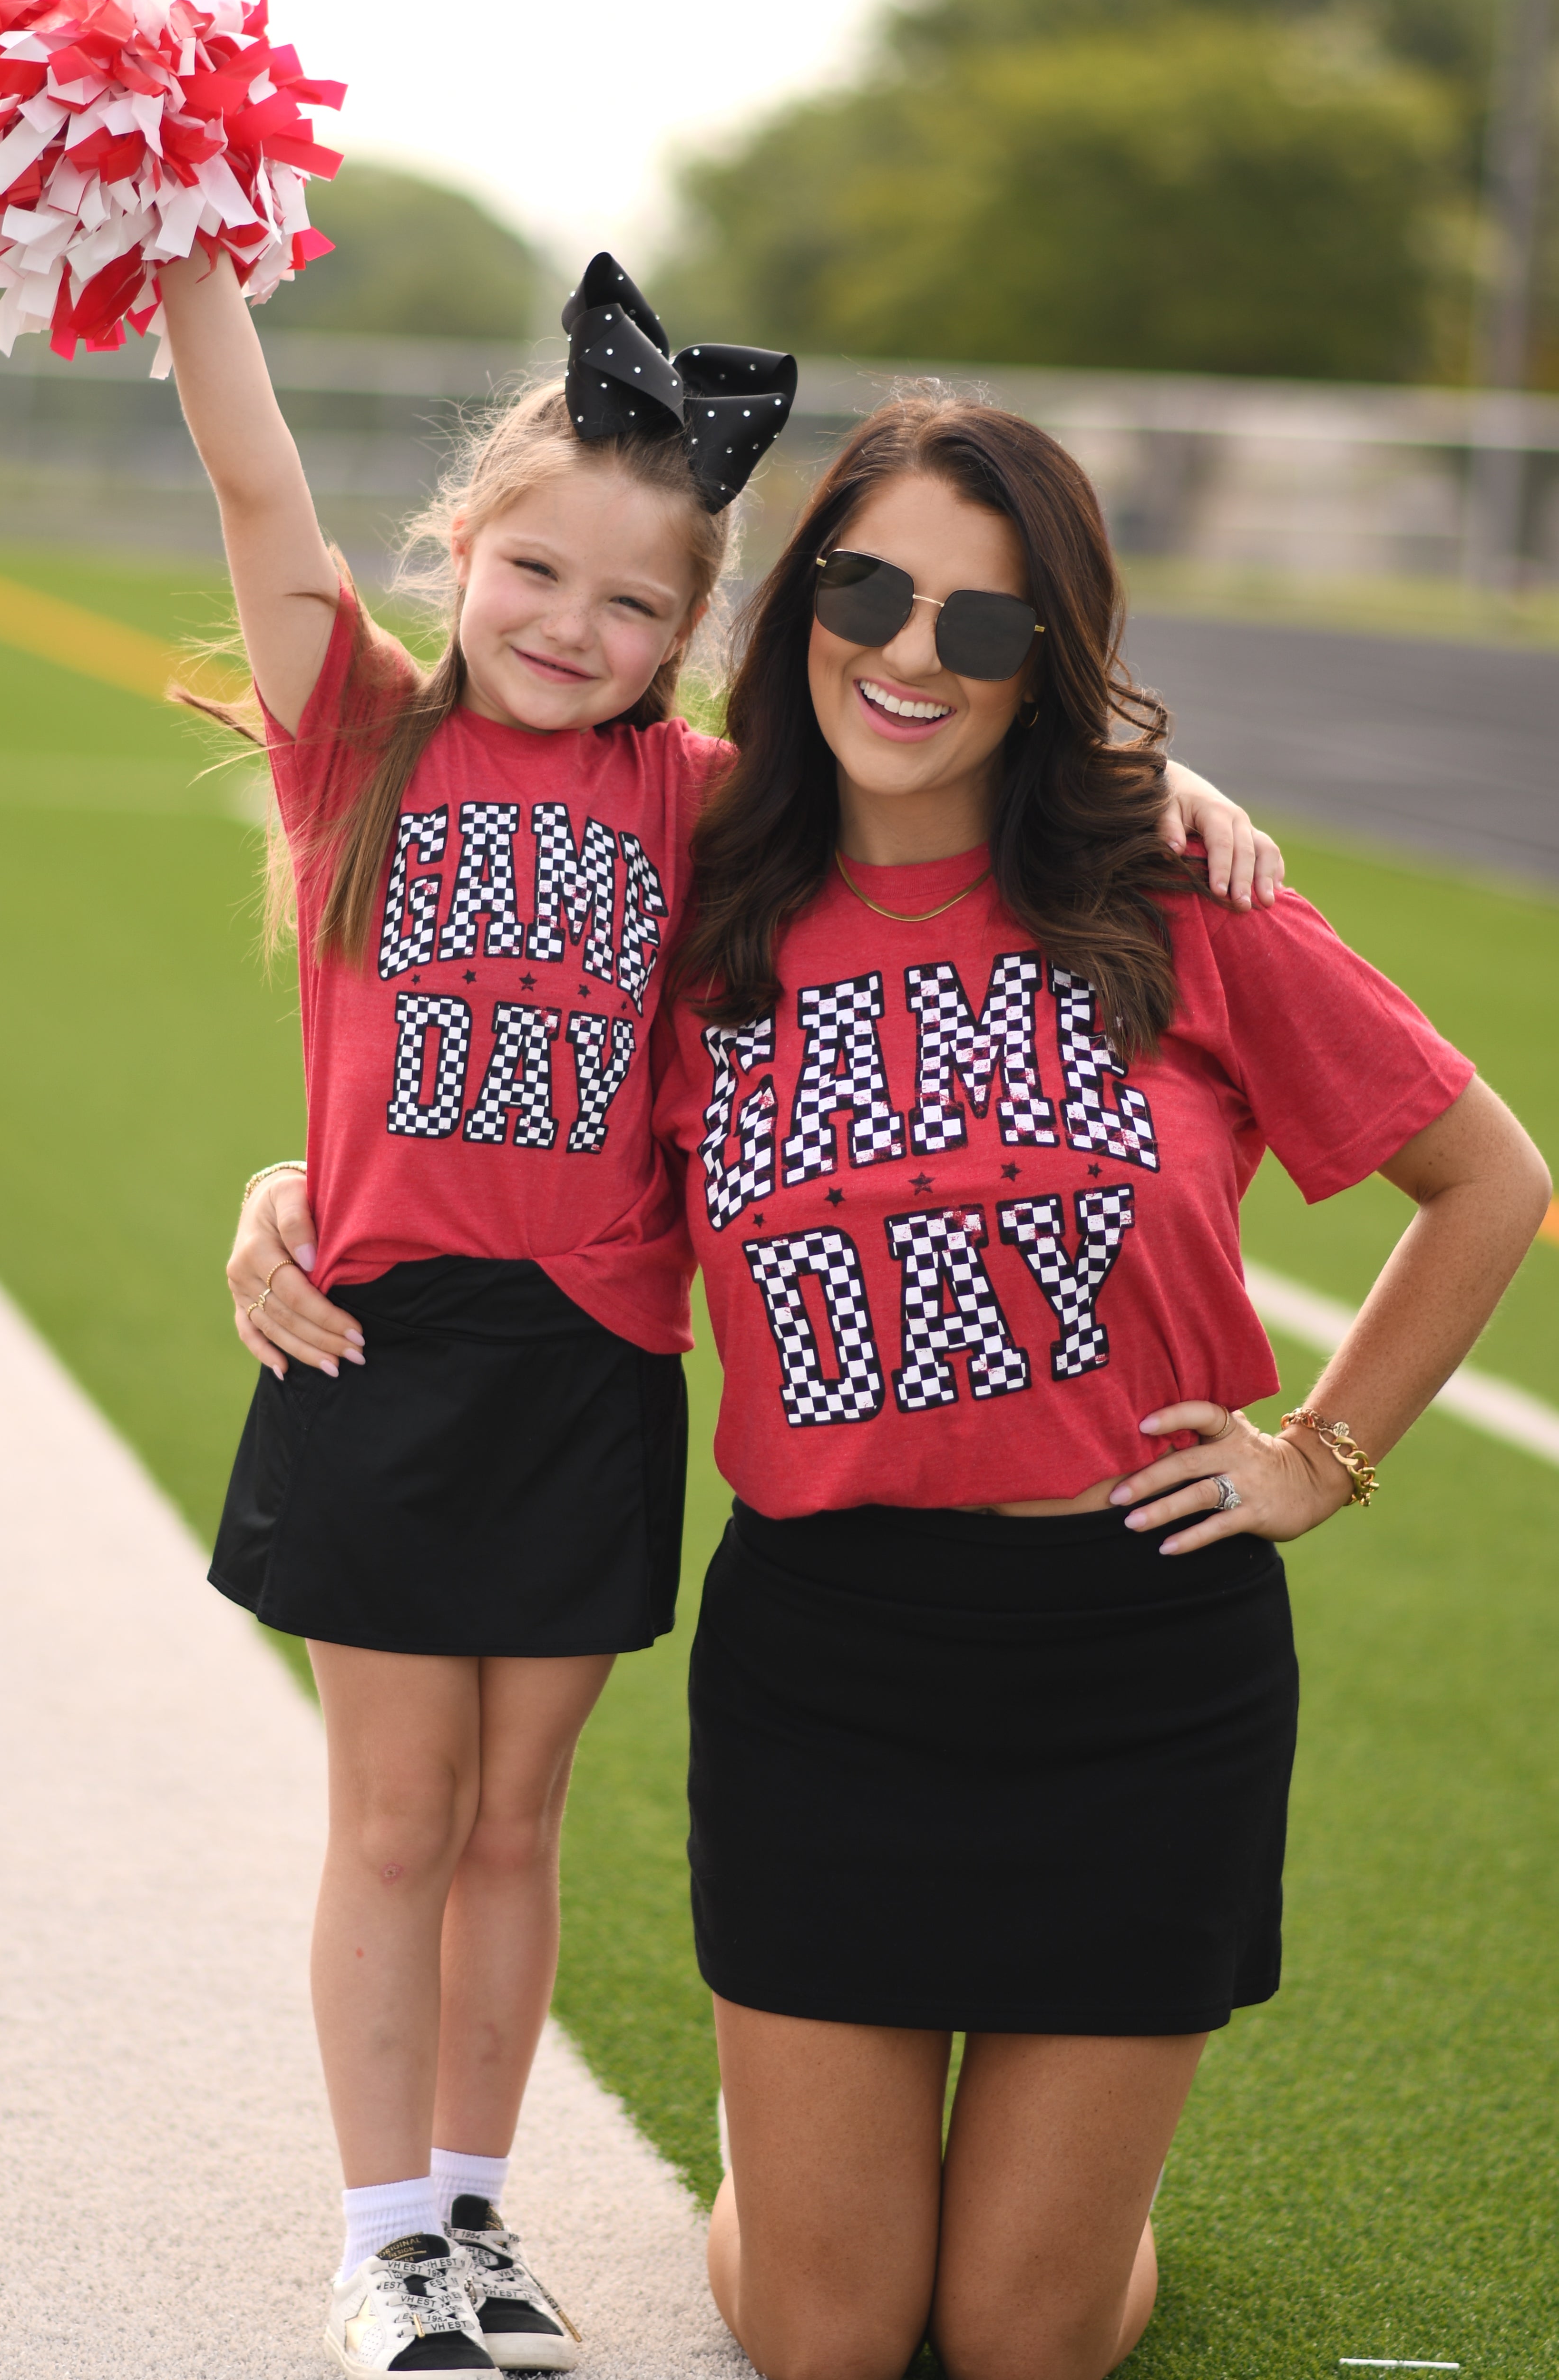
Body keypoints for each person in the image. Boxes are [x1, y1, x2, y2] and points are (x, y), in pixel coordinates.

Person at [199, 259, 1283, 2377]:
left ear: (692, 637)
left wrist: (1163, 793)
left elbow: (935, 801)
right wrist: (184, 262)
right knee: (397, 1819)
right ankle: (386, 2238)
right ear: (457, 554)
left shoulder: (700, 809)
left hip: (598, 1374)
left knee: (518, 1829)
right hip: (381, 1362)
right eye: (529, 573)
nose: (568, 630)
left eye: (632, 607)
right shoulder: (362, 744)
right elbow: (252, 491)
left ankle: (483, 2219)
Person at [639, 392, 1548, 2380]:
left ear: (1048, 663)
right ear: (803, 598)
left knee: (1025, 2348)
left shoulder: (1171, 900)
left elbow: (1489, 1178)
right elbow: (478, 1079)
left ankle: (1007, 2207)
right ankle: (795, 2169)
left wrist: (1324, 1453)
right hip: (830, 1662)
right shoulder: (696, 899)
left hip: (1142, 1670)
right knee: (830, 2341)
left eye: (984, 629)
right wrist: (296, 1185)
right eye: (870, 591)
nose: (908, 656)